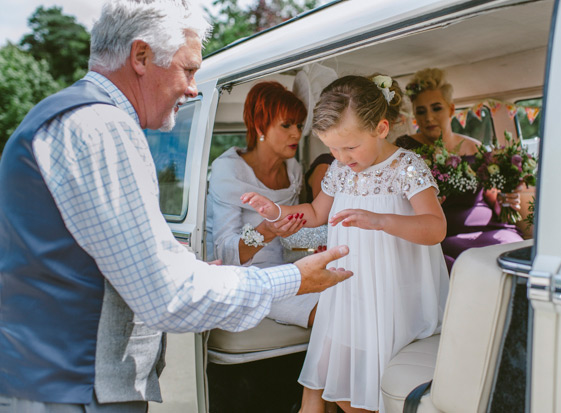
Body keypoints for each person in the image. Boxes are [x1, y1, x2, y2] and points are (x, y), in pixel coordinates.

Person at [0, 0, 353, 410]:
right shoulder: (103, 128)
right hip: (72, 390)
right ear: (141, 56)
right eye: (188, 69)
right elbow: (166, 295)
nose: (192, 88)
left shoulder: (65, 116)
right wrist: (292, 279)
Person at [242, 74, 450, 413]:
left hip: (394, 296)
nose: (341, 156)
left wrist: (381, 221)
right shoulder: (340, 169)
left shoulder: (407, 167)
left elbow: (435, 227)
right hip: (351, 293)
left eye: (350, 147)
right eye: (332, 148)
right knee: (342, 389)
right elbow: (314, 212)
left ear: (381, 128)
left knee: (380, 389)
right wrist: (277, 210)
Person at [206, 80, 319, 328]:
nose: (297, 134)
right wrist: (267, 232)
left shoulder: (293, 170)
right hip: (250, 277)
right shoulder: (228, 171)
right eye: (286, 125)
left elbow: (297, 235)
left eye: (299, 125)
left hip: (290, 268)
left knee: (343, 295)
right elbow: (225, 254)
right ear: (260, 126)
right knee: (326, 311)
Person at [396, 67, 524, 271]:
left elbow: (490, 194)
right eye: (421, 111)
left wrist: (504, 200)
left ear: (451, 109)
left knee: (515, 250)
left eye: (436, 108)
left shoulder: (474, 146)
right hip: (446, 234)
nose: (429, 118)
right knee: (463, 264)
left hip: (489, 227)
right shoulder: (404, 149)